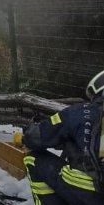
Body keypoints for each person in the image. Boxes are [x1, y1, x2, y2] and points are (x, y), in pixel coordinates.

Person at [22, 70, 104, 204]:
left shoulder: (83, 111)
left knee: (32, 160)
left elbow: (37, 137)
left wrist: (25, 137)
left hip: (91, 190)